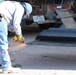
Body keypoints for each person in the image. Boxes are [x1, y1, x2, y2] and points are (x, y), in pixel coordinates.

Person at [0, 1, 32, 74]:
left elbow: (7, 22)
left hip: (1, 19)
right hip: (1, 19)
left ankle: (3, 62)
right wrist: (19, 35)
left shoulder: (13, 5)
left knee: (1, 43)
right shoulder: (20, 8)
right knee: (3, 44)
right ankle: (6, 67)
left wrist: (13, 30)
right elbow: (16, 23)